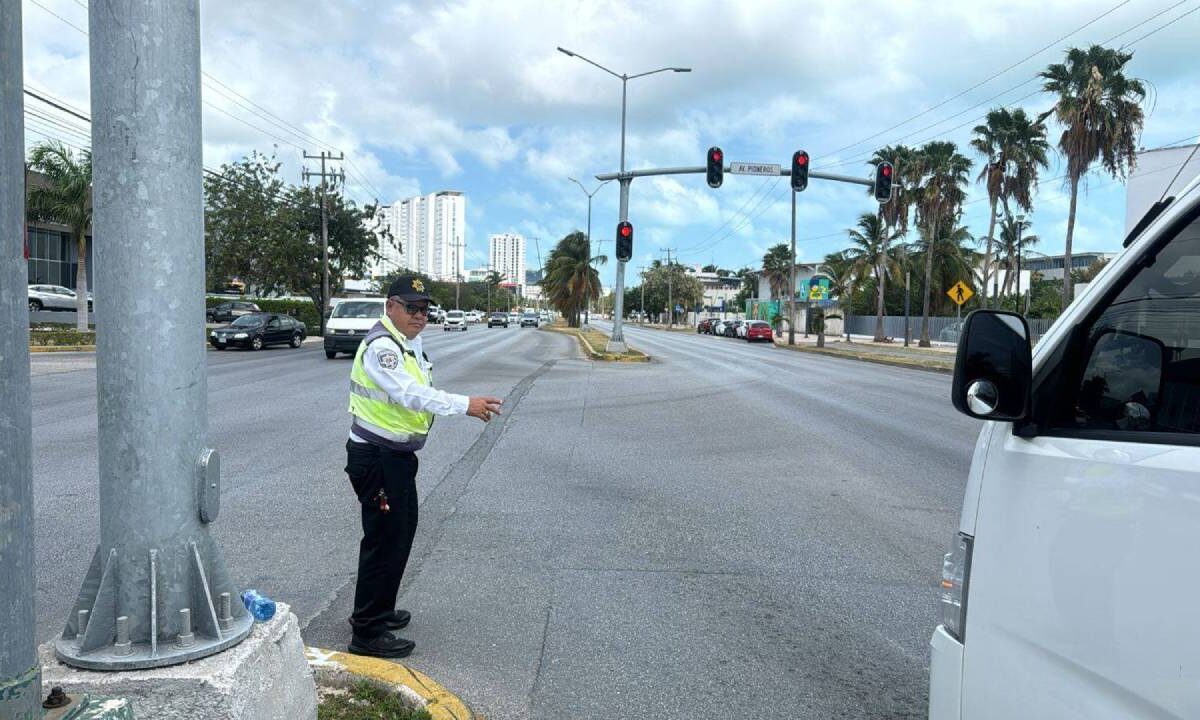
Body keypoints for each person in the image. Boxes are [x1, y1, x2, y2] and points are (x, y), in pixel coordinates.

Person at [344, 276, 503, 658]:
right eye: (411, 307)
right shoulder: (382, 347)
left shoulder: (407, 343)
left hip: (396, 458)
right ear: (390, 306)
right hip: (377, 459)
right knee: (385, 540)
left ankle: (378, 610)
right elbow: (407, 393)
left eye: (425, 308)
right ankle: (367, 632)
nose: (420, 315)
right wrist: (463, 404)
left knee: (399, 534)